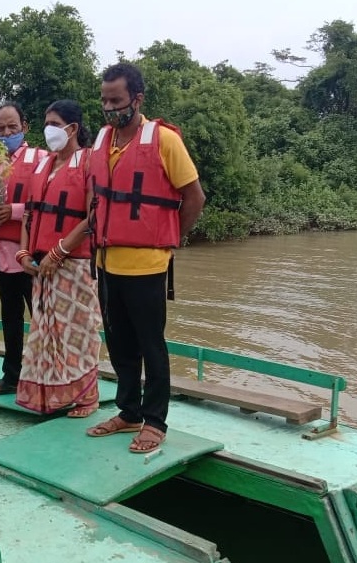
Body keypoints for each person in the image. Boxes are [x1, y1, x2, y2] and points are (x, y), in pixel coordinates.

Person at [85, 63, 206, 453]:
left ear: (137, 99)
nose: (109, 107)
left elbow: (195, 198)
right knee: (119, 345)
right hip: (106, 264)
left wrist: (170, 239)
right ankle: (129, 412)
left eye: (116, 100)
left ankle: (155, 421)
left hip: (148, 265)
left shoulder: (164, 140)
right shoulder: (103, 140)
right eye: (104, 100)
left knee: (151, 346)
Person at [15, 100, 102, 417]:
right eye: (46, 123)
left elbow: (93, 215)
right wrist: (23, 251)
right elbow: (29, 213)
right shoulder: (43, 164)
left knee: (77, 332)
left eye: (54, 123)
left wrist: (59, 251)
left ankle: (87, 396)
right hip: (41, 266)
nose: (48, 129)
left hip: (73, 264)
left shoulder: (89, 162)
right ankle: (54, 395)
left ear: (73, 128)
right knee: (46, 334)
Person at [0, 102, 48, 396]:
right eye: (1, 129)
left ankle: (47, 377)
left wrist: (14, 211)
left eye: (12, 128)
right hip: (2, 256)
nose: (6, 133)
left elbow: (49, 204)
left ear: (25, 127)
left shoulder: (42, 159)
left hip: (31, 254)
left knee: (42, 319)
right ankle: (12, 377)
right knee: (11, 319)